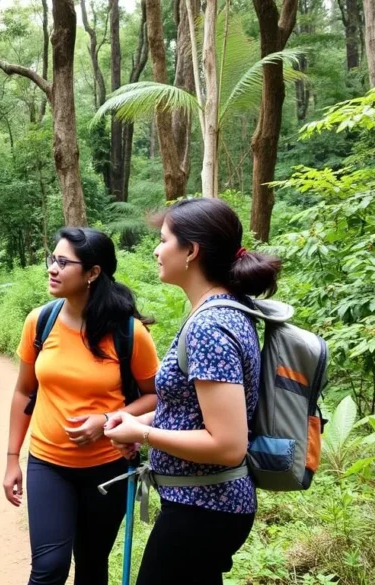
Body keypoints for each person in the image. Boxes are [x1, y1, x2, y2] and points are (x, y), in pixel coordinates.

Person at [104, 197, 281, 585]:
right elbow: (192, 409)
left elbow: (228, 443)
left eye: (164, 239)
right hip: (203, 504)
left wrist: (142, 434)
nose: (155, 249)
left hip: (205, 507)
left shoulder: (209, 326)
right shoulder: (223, 309)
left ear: (191, 251)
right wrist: (136, 419)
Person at [3, 227, 160, 585]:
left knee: (92, 565)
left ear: (93, 273)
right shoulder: (39, 322)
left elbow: (154, 396)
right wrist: (12, 459)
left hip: (107, 469)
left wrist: (107, 419)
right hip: (48, 464)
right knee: (49, 568)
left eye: (63, 262)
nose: (52, 269)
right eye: (52, 259)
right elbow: (24, 392)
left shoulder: (128, 332)